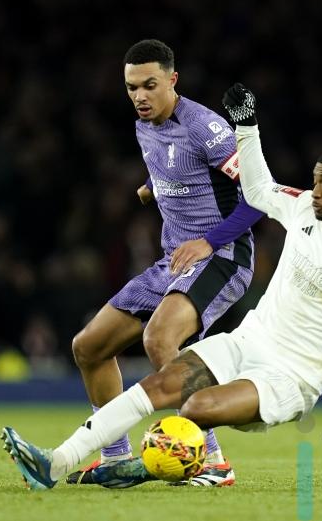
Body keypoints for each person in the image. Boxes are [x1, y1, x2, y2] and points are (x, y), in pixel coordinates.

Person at [0, 83, 322, 491]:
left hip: (291, 375)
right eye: (315, 182)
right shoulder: (303, 208)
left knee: (196, 407)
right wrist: (247, 125)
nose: (315, 192)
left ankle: (182, 467)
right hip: (247, 342)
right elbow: (258, 191)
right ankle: (55, 462)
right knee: (159, 384)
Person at [66, 40, 263, 487]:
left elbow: (257, 196)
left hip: (223, 256)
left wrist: (208, 241)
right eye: (131, 87)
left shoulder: (207, 127)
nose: (140, 96)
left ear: (173, 80)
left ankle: (213, 460)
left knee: (160, 339)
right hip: (172, 262)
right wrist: (152, 186)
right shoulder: (145, 126)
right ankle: (115, 457)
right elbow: (178, 167)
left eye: (150, 85)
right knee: (89, 346)